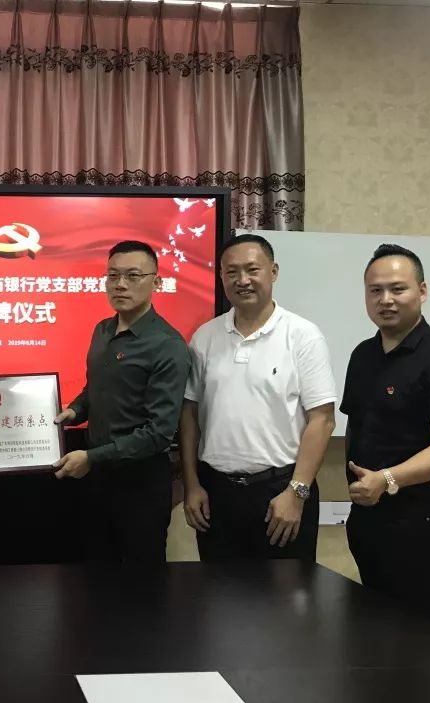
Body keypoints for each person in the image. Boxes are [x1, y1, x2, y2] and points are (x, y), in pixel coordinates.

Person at [342, 243, 430, 624]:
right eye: (375, 290)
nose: (385, 299)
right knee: (372, 626)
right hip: (368, 518)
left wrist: (387, 479)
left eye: (397, 289)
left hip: (422, 522)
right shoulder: (362, 355)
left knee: (418, 637)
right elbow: (356, 425)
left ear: (422, 291)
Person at [180, 234, 337, 561]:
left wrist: (297, 493)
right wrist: (192, 485)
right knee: (217, 590)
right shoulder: (205, 337)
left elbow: (322, 420)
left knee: (288, 590)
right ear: (221, 276)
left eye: (252, 269)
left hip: (281, 491)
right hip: (216, 494)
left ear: (273, 272)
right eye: (231, 272)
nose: (243, 280)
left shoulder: (303, 335)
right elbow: (189, 414)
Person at [53, 240, 191, 563]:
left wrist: (92, 458)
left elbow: (159, 433)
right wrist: (75, 410)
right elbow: (96, 387)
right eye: (113, 275)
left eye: (133, 275)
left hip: (140, 485)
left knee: (139, 582)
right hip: (96, 479)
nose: (121, 284)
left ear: (156, 282)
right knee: (95, 574)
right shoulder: (102, 330)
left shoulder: (168, 345)